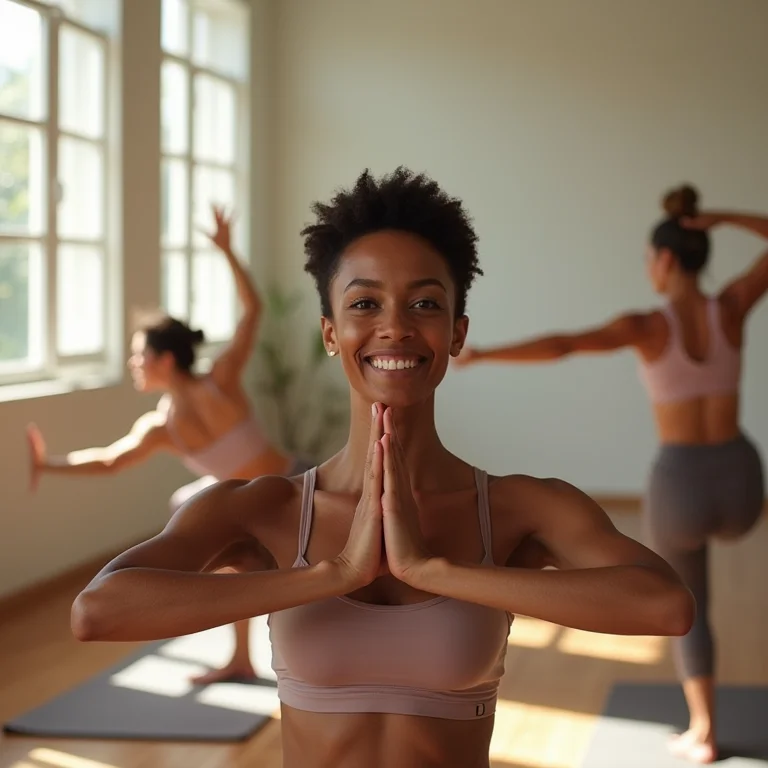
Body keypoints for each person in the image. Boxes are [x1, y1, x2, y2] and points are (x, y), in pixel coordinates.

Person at [70, 168, 693, 768]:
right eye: (365, 303)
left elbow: (664, 606)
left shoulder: (516, 509)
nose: (394, 327)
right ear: (330, 332)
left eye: (424, 303)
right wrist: (329, 575)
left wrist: (439, 571)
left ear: (456, 332)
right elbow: (98, 612)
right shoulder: (263, 510)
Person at [454, 184, 768, 764]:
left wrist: (484, 354)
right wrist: (717, 219)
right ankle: (703, 724)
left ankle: (704, 733)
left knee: (692, 597)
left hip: (684, 486)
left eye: (650, 258)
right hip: (744, 484)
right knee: (724, 534)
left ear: (665, 259)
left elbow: (565, 346)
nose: (648, 268)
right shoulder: (731, 307)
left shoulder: (648, 326)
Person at [28, 205, 311, 686]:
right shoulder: (159, 427)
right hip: (240, 505)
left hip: (293, 488)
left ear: (162, 360)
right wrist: (47, 464)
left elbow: (253, 311)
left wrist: (226, 251)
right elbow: (108, 462)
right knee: (217, 536)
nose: (134, 363)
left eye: (139, 355)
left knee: (309, 583)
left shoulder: (220, 381)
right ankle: (241, 658)